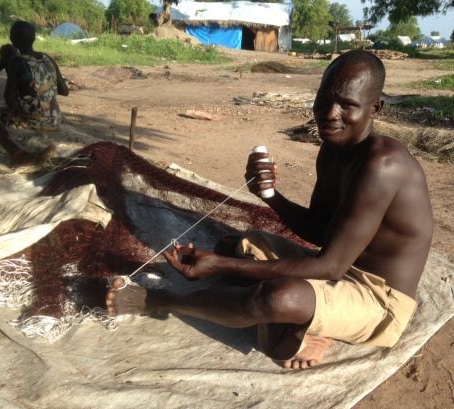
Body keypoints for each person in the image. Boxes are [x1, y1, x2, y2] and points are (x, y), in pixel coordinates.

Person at [105, 50, 434, 369]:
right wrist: (268, 194)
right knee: (236, 245)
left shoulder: (383, 165)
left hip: (379, 300)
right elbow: (319, 229)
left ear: (375, 107)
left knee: (275, 300)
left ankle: (158, 301)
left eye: (347, 105)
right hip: (338, 268)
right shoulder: (333, 149)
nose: (330, 113)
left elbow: (330, 267)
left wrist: (221, 266)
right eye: (324, 100)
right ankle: (314, 317)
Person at [0, 20, 69, 130]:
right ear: (34, 38)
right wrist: (44, 87)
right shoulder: (48, 58)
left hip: (34, 124)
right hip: (55, 121)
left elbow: (8, 97)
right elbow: (65, 91)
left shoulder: (16, 61)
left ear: (12, 40)